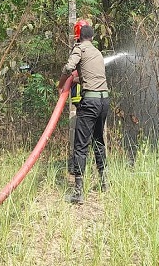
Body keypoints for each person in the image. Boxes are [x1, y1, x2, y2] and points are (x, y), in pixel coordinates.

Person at [59, 21, 110, 204]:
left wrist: (63, 82)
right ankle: (104, 183)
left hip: (90, 102)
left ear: (79, 36)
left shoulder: (80, 48)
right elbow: (92, 76)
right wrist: (77, 80)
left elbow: (69, 67)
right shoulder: (97, 52)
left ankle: (78, 192)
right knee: (98, 140)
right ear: (93, 37)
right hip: (104, 101)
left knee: (80, 145)